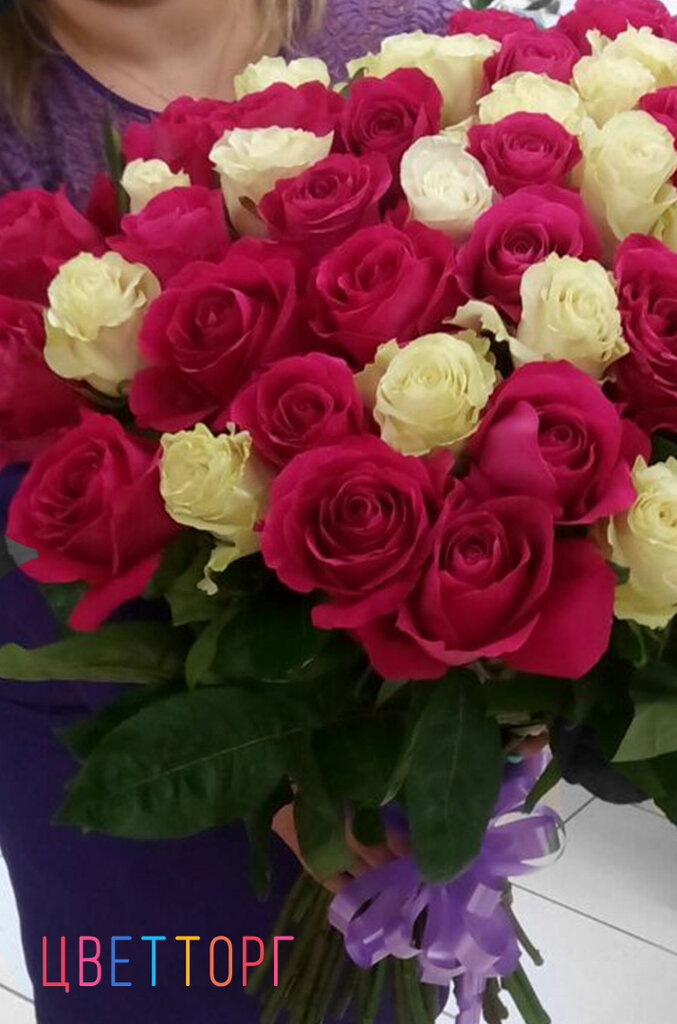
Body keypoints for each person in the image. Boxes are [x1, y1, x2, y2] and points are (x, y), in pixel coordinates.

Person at [0, 2, 460, 1021]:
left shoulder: (408, 42)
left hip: (391, 719)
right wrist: (273, 757)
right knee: (152, 991)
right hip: (108, 713)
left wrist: (501, 697)